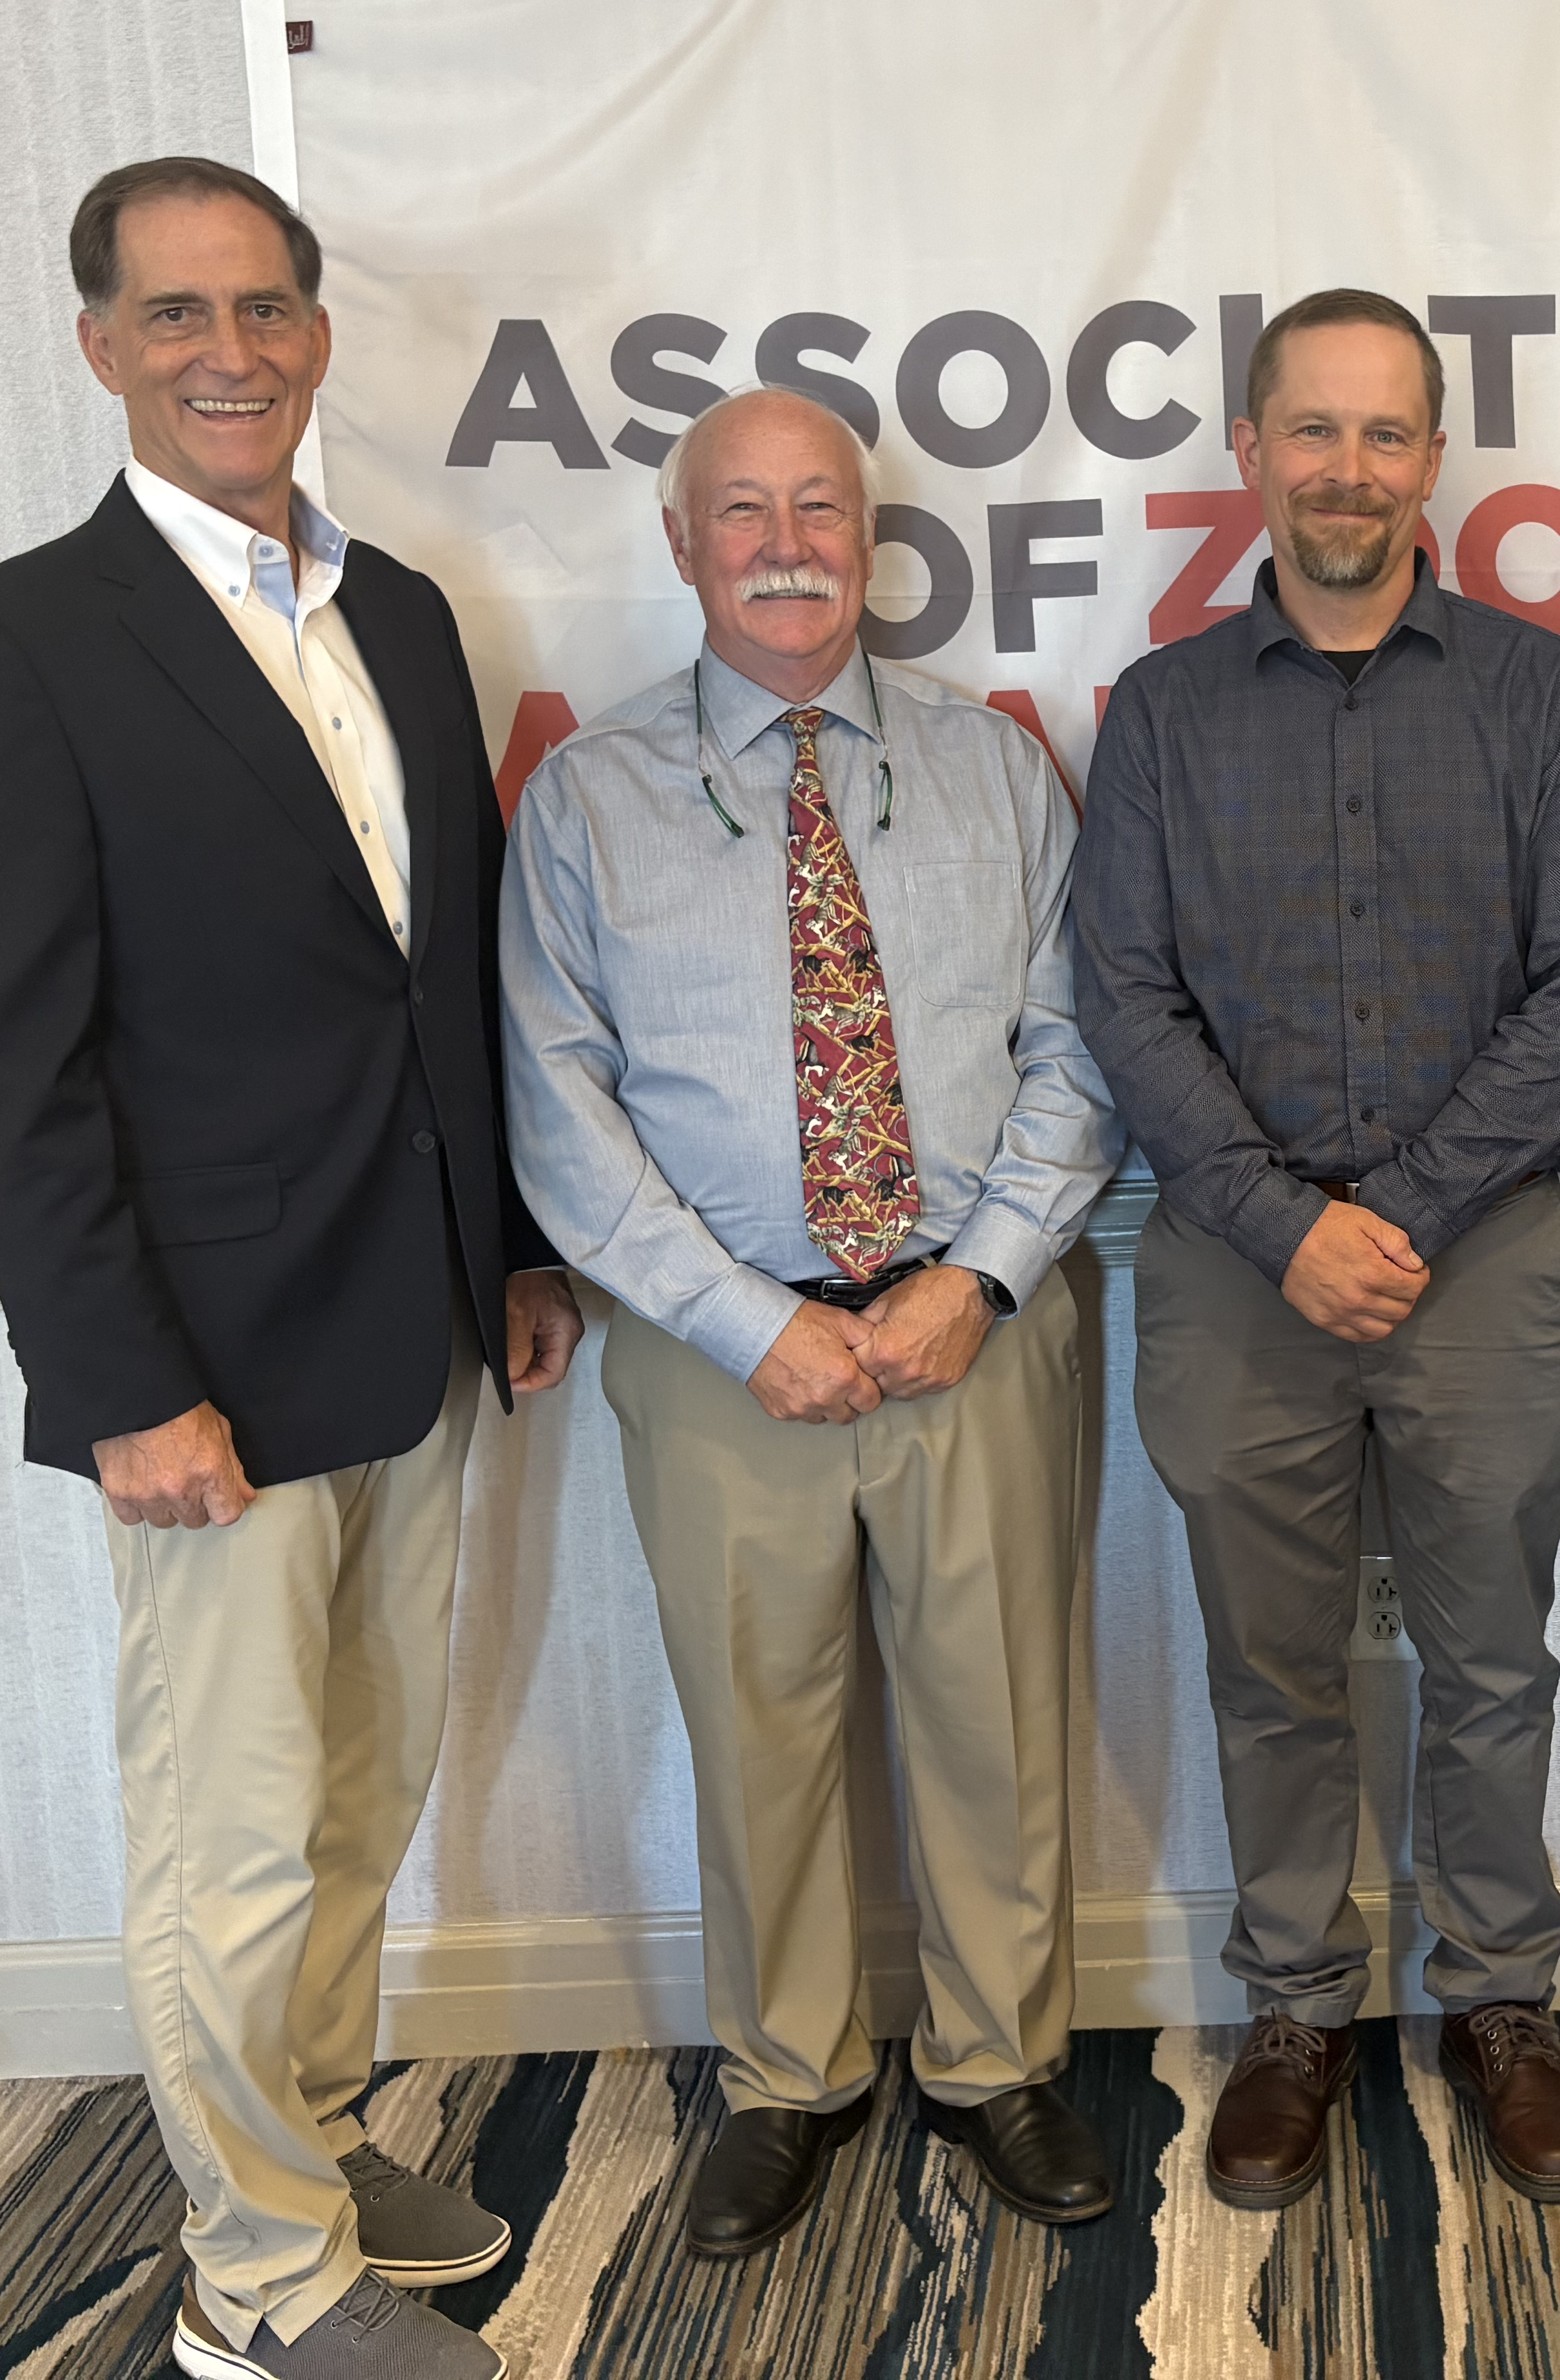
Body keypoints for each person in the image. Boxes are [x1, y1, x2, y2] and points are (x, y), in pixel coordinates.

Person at [0, 158, 582, 2380]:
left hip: (419, 1322)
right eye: (177, 313)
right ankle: (256, 2281)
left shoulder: (402, 619)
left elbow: (443, 977)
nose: (229, 351)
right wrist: (119, 1381)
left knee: (362, 1796)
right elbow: (5, 1065)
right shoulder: (8, 647)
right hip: (205, 1364)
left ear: (315, 334)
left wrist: (516, 1250)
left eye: (265, 308)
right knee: (234, 1836)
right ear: (100, 342)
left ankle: (313, 2136)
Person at [502, 387, 1124, 2256]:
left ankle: (999, 2063)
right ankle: (789, 2078)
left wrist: (979, 1274)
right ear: (682, 544)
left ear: (869, 536)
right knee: (757, 1724)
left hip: (974, 1330)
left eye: (821, 508)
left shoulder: (994, 769)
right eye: (744, 512)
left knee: (998, 1713)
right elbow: (558, 1100)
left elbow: (1082, 1045)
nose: (788, 545)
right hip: (721, 1359)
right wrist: (738, 1320)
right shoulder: (586, 799)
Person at [1069, 291, 1560, 2209]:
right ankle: (1298, 2004)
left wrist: (1393, 1212)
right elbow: (1126, 995)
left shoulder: (1542, 694)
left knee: (1492, 1659)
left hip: (1483, 1254)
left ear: (1433, 459)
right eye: (1311, 431)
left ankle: (1502, 1997)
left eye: (1384, 433)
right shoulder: (1160, 713)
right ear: (1251, 452)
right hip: (1234, 1266)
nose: (1347, 470)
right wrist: (1281, 1221)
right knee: (1272, 1665)